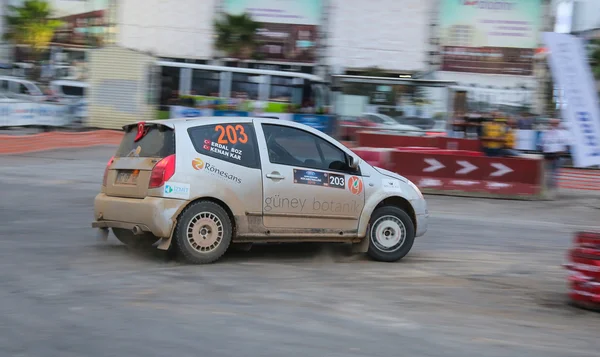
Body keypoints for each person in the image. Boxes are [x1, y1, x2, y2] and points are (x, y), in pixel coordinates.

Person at [540, 118, 569, 198]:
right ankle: (548, 190)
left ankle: (552, 190)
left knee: (554, 173)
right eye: (552, 123)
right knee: (549, 173)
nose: (554, 125)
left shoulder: (562, 133)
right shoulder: (546, 132)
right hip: (549, 155)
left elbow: (565, 145)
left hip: (557, 156)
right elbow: (541, 144)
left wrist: (560, 153)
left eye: (555, 123)